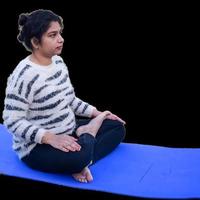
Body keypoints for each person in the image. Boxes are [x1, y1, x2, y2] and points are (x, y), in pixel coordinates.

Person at [2, 9, 126, 183]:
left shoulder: (59, 63)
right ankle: (85, 145)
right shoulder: (24, 75)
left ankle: (83, 155)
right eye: (53, 35)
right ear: (36, 42)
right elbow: (12, 120)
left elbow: (71, 100)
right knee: (78, 158)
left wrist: (98, 114)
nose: (61, 39)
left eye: (60, 33)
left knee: (117, 127)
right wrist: (50, 138)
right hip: (37, 147)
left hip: (69, 129)